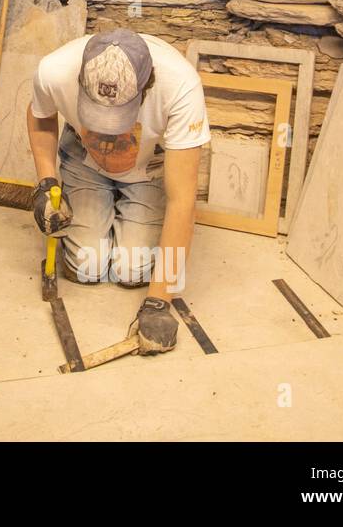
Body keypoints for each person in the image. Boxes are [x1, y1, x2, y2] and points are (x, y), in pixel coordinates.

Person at [26, 28, 208, 354]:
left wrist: (158, 303)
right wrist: (46, 183)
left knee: (133, 269)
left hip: (147, 168)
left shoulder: (180, 86)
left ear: (146, 86)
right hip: (85, 160)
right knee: (87, 266)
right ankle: (100, 197)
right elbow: (40, 115)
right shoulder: (55, 70)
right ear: (80, 79)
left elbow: (183, 200)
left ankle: (130, 203)